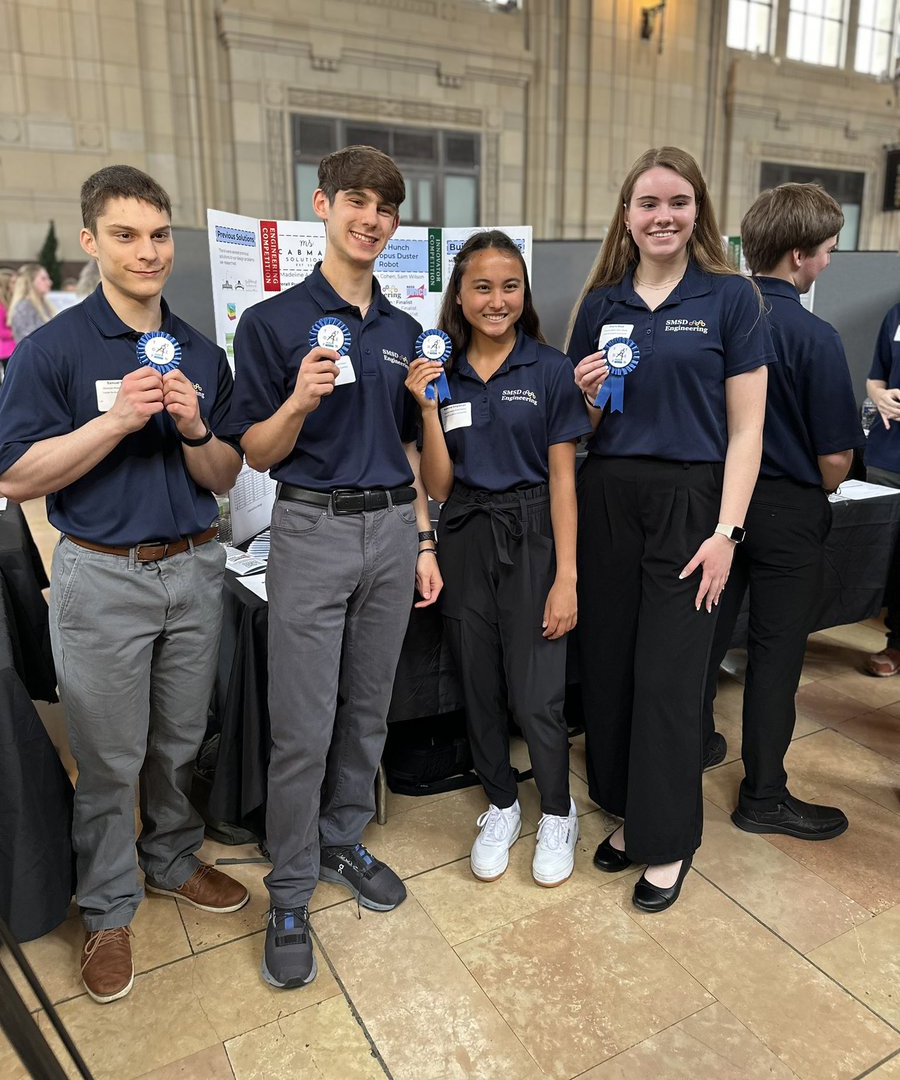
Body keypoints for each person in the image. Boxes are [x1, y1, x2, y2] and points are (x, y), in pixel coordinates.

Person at [0, 166, 248, 1004]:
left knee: (179, 737)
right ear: (90, 242)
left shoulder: (202, 353)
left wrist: (192, 425)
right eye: (127, 234)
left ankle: (172, 857)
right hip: (104, 578)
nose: (148, 251)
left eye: (159, 234)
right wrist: (111, 422)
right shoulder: (52, 350)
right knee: (108, 757)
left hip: (195, 565)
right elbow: (17, 476)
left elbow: (222, 472)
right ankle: (108, 904)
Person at [229, 144, 442, 990]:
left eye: (386, 209)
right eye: (356, 200)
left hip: (392, 530)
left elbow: (404, 447)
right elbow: (255, 447)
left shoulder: (400, 331)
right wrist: (297, 400)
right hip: (312, 531)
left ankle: (342, 837)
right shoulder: (273, 324)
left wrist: (423, 540)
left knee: (367, 709)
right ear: (321, 204)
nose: (372, 219)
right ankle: (287, 893)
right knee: (301, 728)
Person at [567, 146, 773, 912]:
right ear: (627, 215)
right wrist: (585, 394)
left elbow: (747, 431)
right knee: (613, 667)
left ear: (698, 212)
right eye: (648, 203)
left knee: (669, 677)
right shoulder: (600, 304)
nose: (663, 216)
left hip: (694, 502)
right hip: (610, 495)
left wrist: (728, 531)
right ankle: (631, 814)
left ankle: (669, 840)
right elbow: (584, 424)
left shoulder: (731, 299)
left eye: (677, 202)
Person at [406, 231, 592, 887]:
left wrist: (567, 577)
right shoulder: (441, 372)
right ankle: (504, 804)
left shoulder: (548, 369)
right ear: (459, 294)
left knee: (537, 694)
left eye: (509, 285)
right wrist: (428, 410)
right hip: (465, 532)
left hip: (536, 532)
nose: (496, 299)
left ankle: (559, 813)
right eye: (481, 286)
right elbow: (439, 485)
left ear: (524, 293)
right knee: (478, 685)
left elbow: (565, 480)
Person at [703, 183, 862, 838]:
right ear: (799, 257)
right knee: (774, 657)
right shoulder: (816, 338)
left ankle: (686, 749)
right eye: (825, 252)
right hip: (789, 511)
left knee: (702, 637)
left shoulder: (713, 318)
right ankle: (764, 795)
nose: (828, 262)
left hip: (715, 506)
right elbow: (834, 460)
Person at [862, 298, 900, 677]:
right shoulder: (896, 313)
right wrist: (880, 396)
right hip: (887, 457)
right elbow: (876, 378)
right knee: (887, 563)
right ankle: (895, 644)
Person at [8, 262, 56, 342]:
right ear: (30, 281)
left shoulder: (44, 303)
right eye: (43, 279)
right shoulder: (24, 306)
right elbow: (29, 338)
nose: (50, 282)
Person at [0, 268, 16, 379]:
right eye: (13, 282)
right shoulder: (1, 306)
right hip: (6, 350)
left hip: (12, 348)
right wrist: (17, 332)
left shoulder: (13, 301)